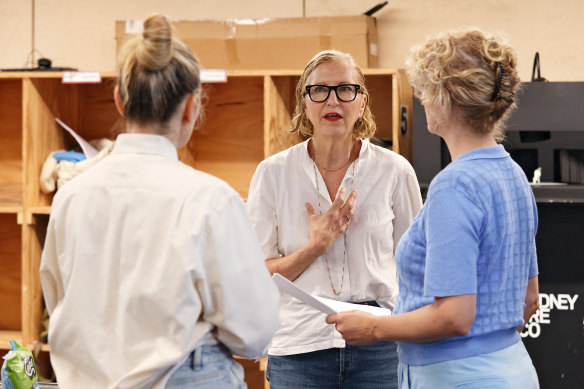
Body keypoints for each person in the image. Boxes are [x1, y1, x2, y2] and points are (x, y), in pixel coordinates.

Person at [39, 14, 280, 389]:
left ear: (120, 101)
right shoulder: (211, 199)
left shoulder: (70, 197)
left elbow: (58, 304)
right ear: (190, 107)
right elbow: (254, 332)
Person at [327, 29, 540, 389]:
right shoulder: (512, 174)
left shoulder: (454, 186)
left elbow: (454, 317)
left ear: (445, 98)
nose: (421, 98)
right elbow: (529, 300)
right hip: (509, 366)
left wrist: (375, 327)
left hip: (457, 376)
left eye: (425, 88)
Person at [246, 49, 422, 388]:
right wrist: (316, 246)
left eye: (345, 89)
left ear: (362, 102)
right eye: (319, 90)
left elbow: (416, 268)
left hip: (379, 345)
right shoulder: (273, 174)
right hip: (300, 347)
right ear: (304, 102)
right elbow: (256, 276)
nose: (333, 101)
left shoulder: (394, 171)